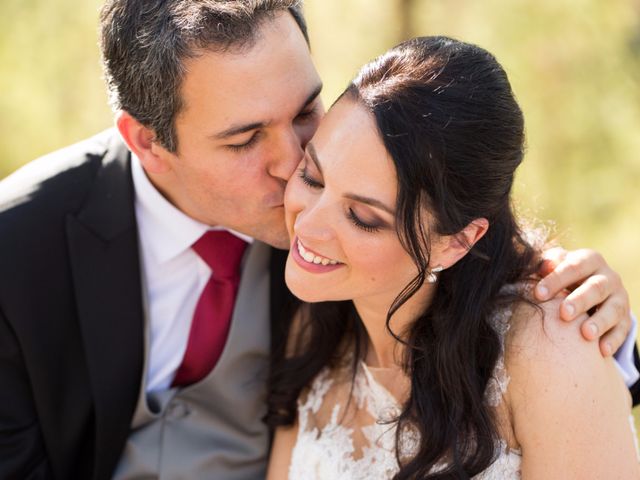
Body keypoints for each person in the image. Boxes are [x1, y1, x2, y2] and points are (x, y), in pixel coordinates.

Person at [0, 2, 635, 479]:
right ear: (146, 141)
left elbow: (439, 214)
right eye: (245, 139)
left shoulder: (339, 218)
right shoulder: (17, 250)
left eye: (306, 110)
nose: (294, 166)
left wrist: (601, 327)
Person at [265, 36, 640, 479]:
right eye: (311, 176)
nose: (306, 226)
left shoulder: (548, 351)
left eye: (363, 217)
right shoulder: (315, 330)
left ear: (457, 241)